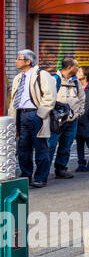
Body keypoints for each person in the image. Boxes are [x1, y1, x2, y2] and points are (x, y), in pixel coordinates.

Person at [10, 50, 57, 187]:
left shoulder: (41, 75)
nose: (16, 61)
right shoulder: (18, 77)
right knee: (23, 148)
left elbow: (50, 96)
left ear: (28, 61)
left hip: (35, 114)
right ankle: (25, 176)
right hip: (21, 115)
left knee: (40, 147)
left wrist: (41, 114)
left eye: (19, 59)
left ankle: (41, 178)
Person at [48, 58, 84, 180]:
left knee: (66, 146)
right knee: (50, 146)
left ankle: (61, 169)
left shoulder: (76, 82)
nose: (78, 69)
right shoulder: (54, 80)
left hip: (72, 120)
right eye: (76, 66)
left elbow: (82, 98)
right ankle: (44, 171)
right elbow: (47, 98)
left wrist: (79, 112)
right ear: (69, 67)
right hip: (55, 121)